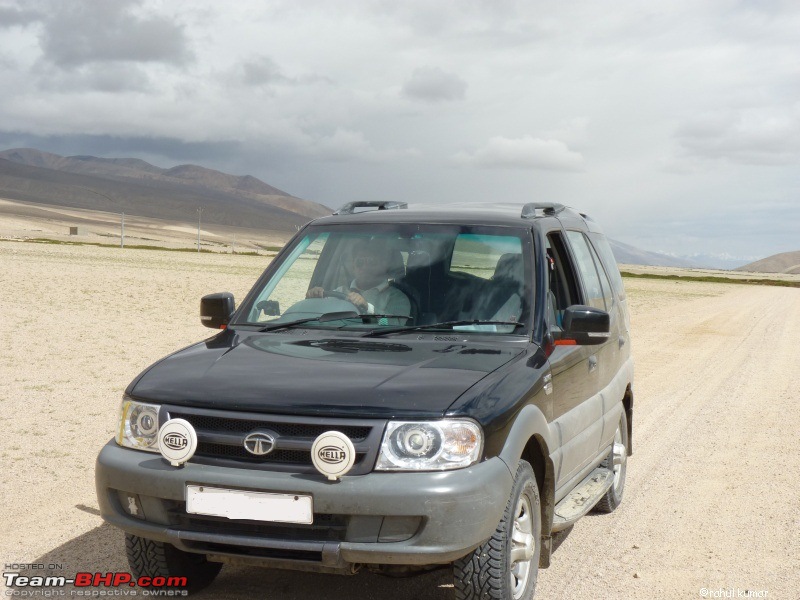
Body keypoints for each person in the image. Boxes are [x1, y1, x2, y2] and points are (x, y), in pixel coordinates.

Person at [306, 240, 411, 321]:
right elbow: (318, 318)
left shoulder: (398, 298)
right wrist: (314, 299)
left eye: (371, 262)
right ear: (353, 267)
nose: (365, 267)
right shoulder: (339, 292)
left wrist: (367, 307)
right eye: (359, 262)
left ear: (383, 267)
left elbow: (392, 324)